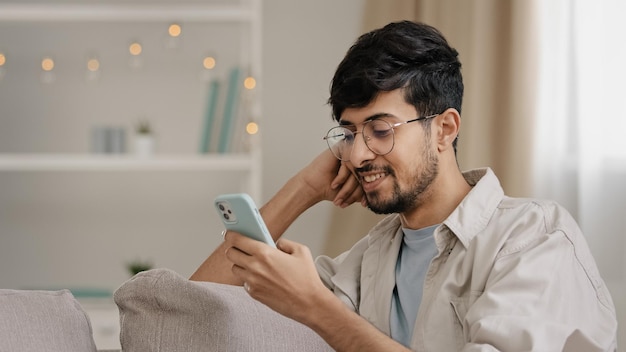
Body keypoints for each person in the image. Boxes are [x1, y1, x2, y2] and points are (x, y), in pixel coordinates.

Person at [190, 21, 618, 351]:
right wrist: (304, 187)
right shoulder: (367, 262)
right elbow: (190, 314)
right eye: (349, 134)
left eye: (379, 129)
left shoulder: (535, 239)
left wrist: (318, 309)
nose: (357, 155)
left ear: (445, 129)